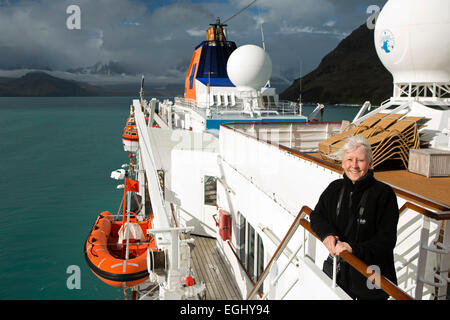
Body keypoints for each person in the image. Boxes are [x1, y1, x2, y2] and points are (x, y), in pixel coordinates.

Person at [310, 135, 399, 300]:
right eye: (349, 159)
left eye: (360, 160)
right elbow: (316, 216)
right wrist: (327, 234)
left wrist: (353, 249)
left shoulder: (384, 194)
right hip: (340, 275)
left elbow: (386, 241)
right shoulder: (335, 188)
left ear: (370, 164)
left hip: (371, 279)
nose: (354, 165)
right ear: (343, 163)